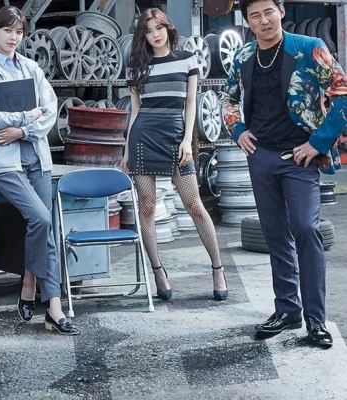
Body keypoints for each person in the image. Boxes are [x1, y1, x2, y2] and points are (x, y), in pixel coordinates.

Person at [222, 0, 347, 348]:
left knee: (306, 228)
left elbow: (342, 92)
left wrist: (317, 143)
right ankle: (287, 310)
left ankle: (316, 319)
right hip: (261, 156)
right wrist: (237, 130)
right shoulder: (244, 55)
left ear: (280, 11)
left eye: (268, 12)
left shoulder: (309, 48)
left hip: (300, 157)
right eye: (255, 16)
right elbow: (227, 98)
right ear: (248, 21)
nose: (263, 20)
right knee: (274, 234)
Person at [0, 6, 77, 335]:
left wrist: (22, 130)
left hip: (35, 157)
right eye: (7, 31)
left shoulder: (32, 68)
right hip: (3, 163)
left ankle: (54, 308)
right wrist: (27, 117)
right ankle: (29, 281)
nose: (13, 37)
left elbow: (49, 110)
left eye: (18, 32)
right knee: (41, 219)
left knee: (47, 228)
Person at [121, 8, 228, 303]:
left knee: (195, 206)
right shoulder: (136, 67)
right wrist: (127, 150)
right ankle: (158, 272)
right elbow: (135, 111)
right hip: (144, 135)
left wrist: (187, 142)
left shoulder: (187, 59)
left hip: (176, 135)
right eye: (148, 31)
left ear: (168, 28)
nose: (155, 34)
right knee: (147, 206)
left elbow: (191, 103)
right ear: (143, 36)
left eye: (159, 28)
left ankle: (218, 269)